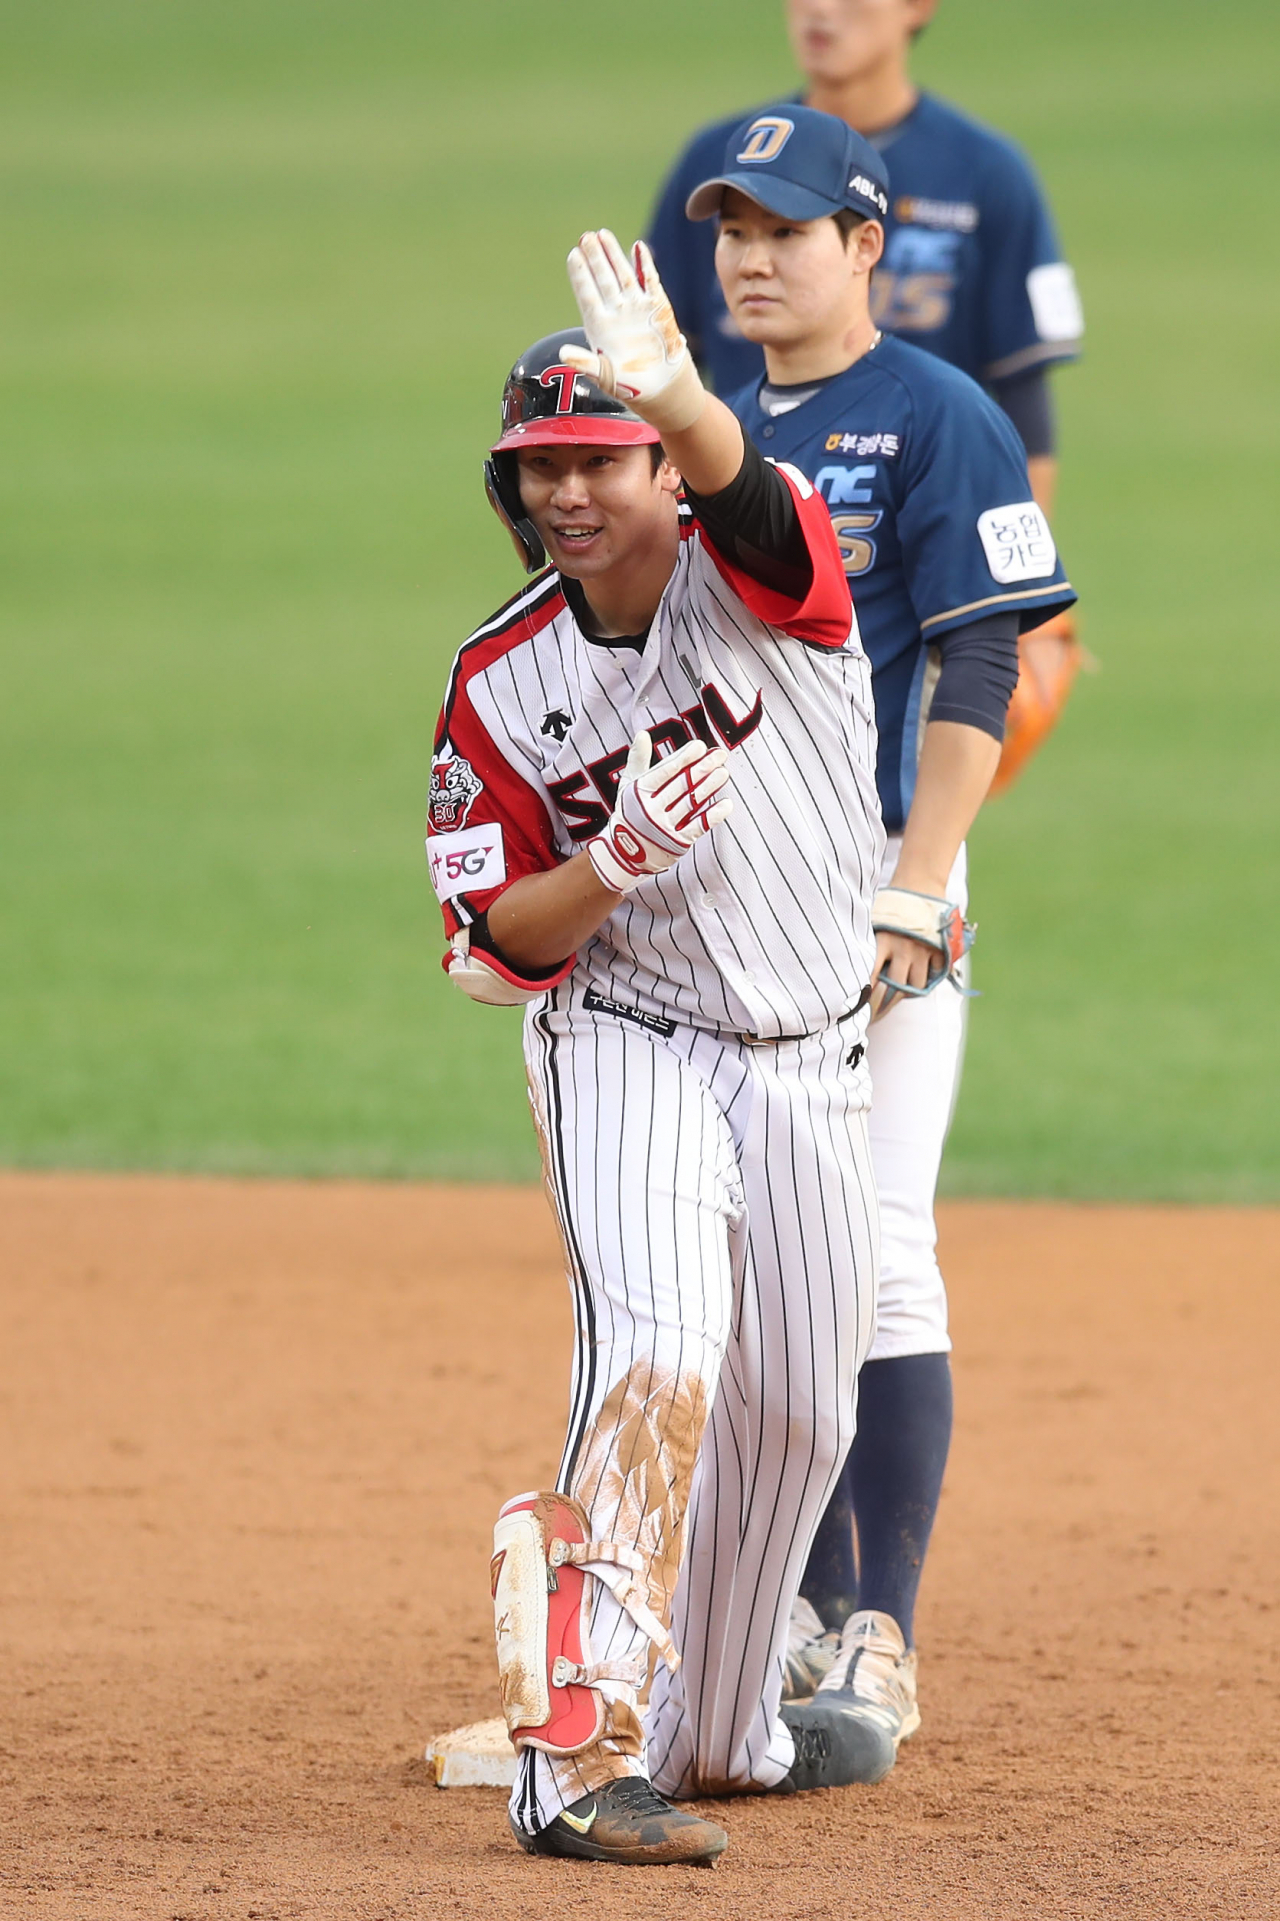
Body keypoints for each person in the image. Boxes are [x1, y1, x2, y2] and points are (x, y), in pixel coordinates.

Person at [427, 229, 891, 1867]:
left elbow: (753, 497)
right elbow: (499, 945)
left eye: (599, 458)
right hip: (622, 1035)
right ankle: (576, 1758)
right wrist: (606, 863)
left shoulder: (767, 569)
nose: (568, 493)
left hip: (811, 1045)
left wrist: (683, 390)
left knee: (796, 1415)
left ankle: (715, 1726)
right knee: (660, 1354)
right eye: (540, 467)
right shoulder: (498, 682)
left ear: (658, 466)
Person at [683, 104, 1076, 1774]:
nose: (753, 257)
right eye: (732, 231)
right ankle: (767, 1606)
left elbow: (985, 659)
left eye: (786, 230)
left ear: (865, 250)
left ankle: (878, 1635)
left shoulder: (937, 414)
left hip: (868, 889)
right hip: (706, 901)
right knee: (726, 1270)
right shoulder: (692, 423)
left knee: (877, 1243)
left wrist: (923, 877)